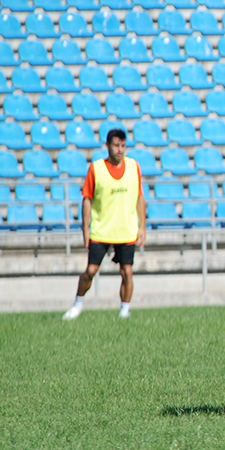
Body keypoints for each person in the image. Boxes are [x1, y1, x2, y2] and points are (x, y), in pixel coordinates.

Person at [63, 129, 147, 320]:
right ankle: (78, 303)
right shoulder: (96, 168)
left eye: (123, 146)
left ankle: (125, 311)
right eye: (116, 145)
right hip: (102, 230)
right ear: (107, 145)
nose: (120, 150)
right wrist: (85, 228)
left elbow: (139, 196)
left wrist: (142, 226)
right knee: (91, 271)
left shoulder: (134, 167)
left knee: (127, 272)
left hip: (126, 229)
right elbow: (87, 199)